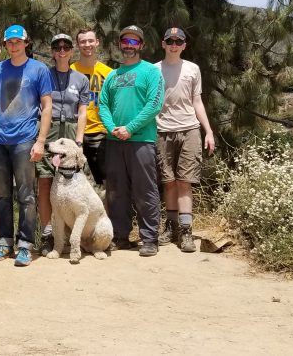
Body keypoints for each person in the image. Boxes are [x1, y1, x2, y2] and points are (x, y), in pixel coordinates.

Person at [0, 24, 53, 266]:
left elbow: (47, 107)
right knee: (2, 194)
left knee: (26, 195)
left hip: (25, 139)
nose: (14, 46)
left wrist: (40, 141)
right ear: (5, 45)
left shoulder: (39, 69)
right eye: (9, 42)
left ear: (26, 42)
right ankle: (3, 242)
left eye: (18, 41)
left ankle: (25, 244)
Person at [98, 25, 165, 257]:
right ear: (120, 44)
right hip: (114, 140)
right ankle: (120, 236)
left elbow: (154, 104)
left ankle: (149, 238)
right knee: (116, 191)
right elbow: (103, 105)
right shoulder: (112, 76)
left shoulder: (151, 72)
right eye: (125, 41)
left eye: (134, 42)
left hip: (141, 141)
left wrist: (130, 128)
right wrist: (112, 128)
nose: (129, 45)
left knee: (145, 190)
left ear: (142, 45)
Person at [155, 27, 215, 253]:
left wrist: (208, 131)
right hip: (162, 130)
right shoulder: (154, 70)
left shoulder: (192, 69)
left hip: (189, 128)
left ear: (184, 46)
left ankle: (186, 230)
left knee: (185, 181)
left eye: (178, 41)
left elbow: (197, 101)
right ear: (163, 44)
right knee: (168, 182)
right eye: (169, 40)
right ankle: (170, 227)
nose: (173, 44)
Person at [36, 34, 90, 256]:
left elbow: (83, 111)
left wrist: (79, 141)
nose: (61, 50)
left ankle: (67, 235)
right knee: (45, 181)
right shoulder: (43, 74)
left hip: (69, 132)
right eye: (57, 47)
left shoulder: (80, 79)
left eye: (66, 46)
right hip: (47, 131)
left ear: (72, 50)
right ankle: (48, 233)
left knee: (69, 183)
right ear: (52, 51)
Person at [70, 28, 114, 188]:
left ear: (97, 42)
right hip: (74, 133)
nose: (87, 44)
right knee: (73, 184)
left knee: (106, 182)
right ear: (77, 45)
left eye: (90, 41)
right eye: (83, 41)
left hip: (100, 132)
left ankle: (109, 214)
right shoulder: (70, 71)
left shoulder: (108, 73)